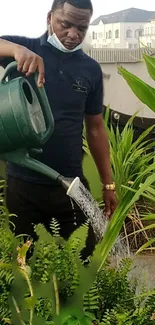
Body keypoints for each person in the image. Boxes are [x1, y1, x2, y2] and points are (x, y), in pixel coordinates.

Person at [0, 0, 117, 257]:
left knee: (82, 265)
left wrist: (108, 184)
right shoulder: (27, 49)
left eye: (81, 28)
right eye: (66, 24)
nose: (73, 34)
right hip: (23, 185)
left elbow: (95, 126)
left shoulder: (90, 70)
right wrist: (15, 50)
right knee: (24, 269)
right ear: (50, 17)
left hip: (71, 186)